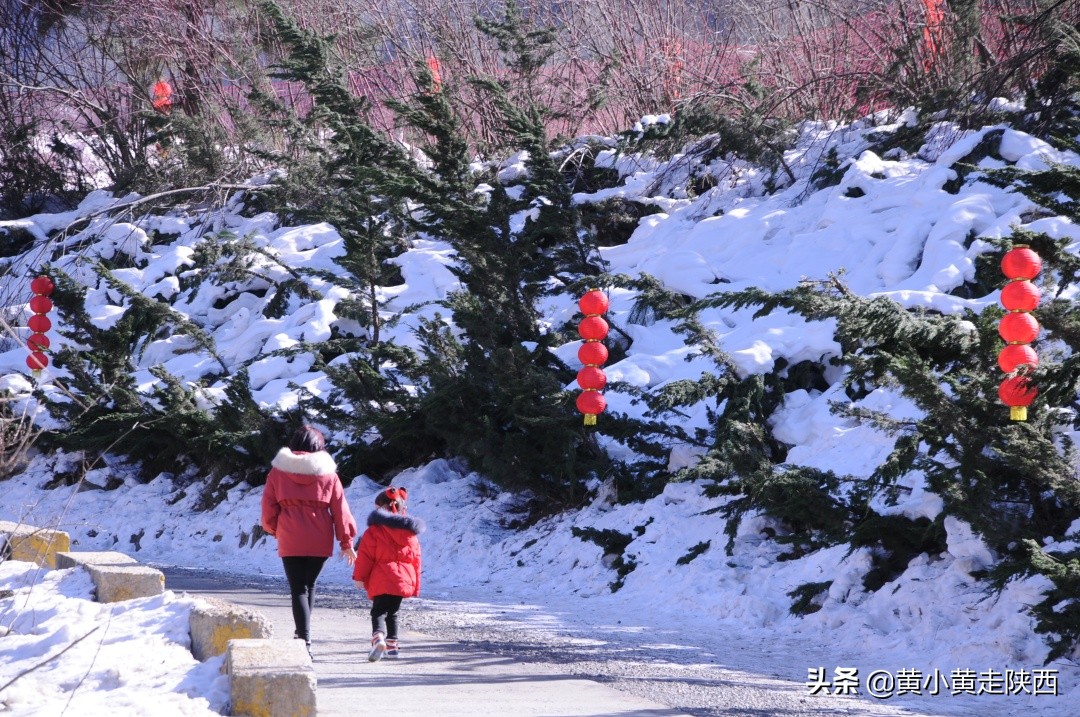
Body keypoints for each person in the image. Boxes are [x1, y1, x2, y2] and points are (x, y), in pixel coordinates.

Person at [261, 425, 357, 657]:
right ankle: (302, 636)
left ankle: (303, 639)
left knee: (298, 589)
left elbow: (268, 508)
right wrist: (346, 541)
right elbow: (340, 509)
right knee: (309, 585)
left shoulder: (278, 472)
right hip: (320, 537)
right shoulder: (328, 474)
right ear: (319, 447)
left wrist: (275, 530)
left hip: (290, 535)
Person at [352, 486, 424, 662]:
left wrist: (359, 577)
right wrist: (415, 585)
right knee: (393, 612)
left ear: (383, 508)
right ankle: (392, 647)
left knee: (378, 611)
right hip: (402, 580)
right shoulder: (410, 534)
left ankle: (378, 638)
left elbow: (366, 557)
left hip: (382, 578)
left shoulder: (374, 531)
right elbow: (416, 560)